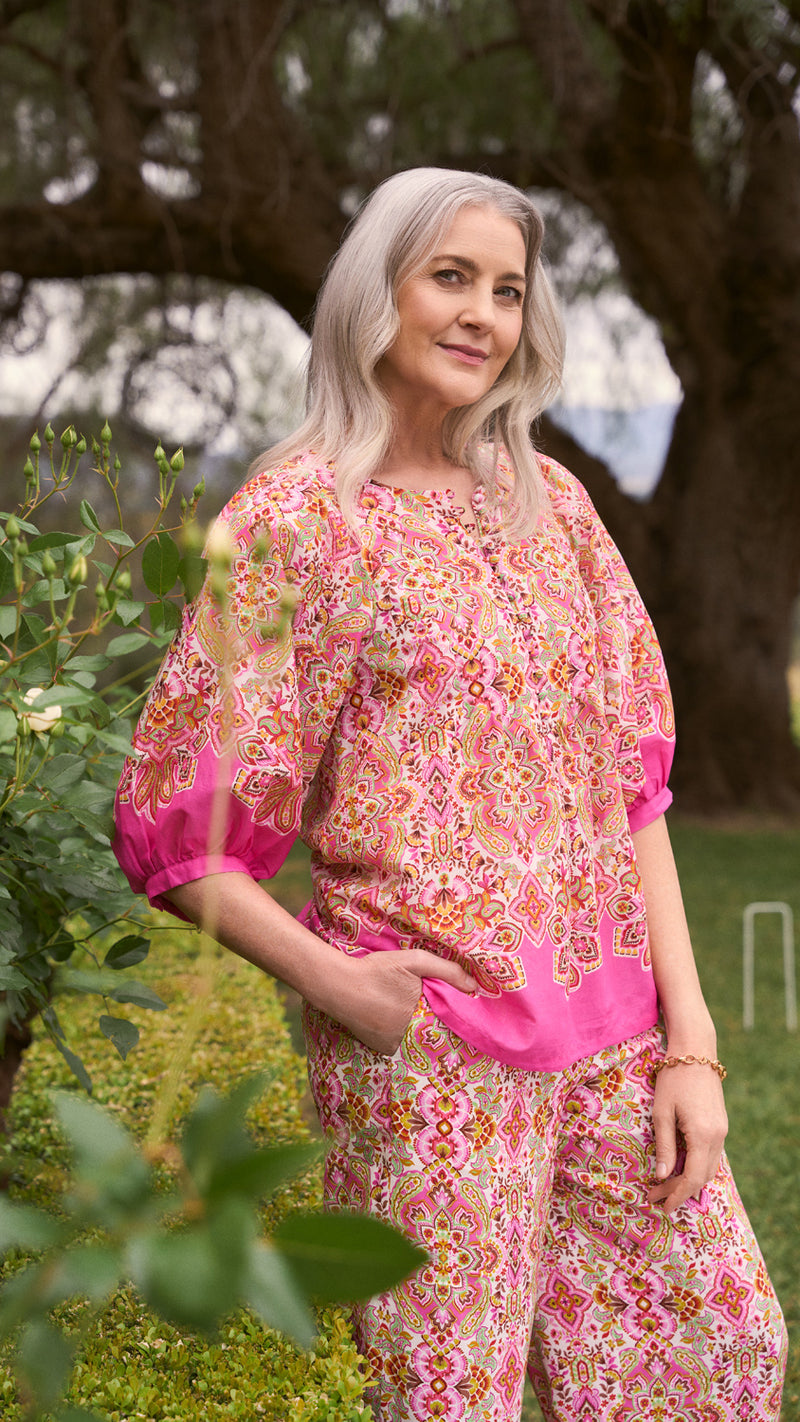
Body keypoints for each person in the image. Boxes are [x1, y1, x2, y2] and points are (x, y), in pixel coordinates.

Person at [113, 168, 787, 1422]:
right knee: (445, 1398)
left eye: (508, 290)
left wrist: (688, 1045)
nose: (483, 314)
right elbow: (177, 829)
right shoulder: (297, 522)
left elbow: (630, 794)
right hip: (431, 1062)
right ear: (378, 292)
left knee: (717, 1352)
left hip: (615, 1043)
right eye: (451, 278)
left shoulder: (553, 507)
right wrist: (339, 987)